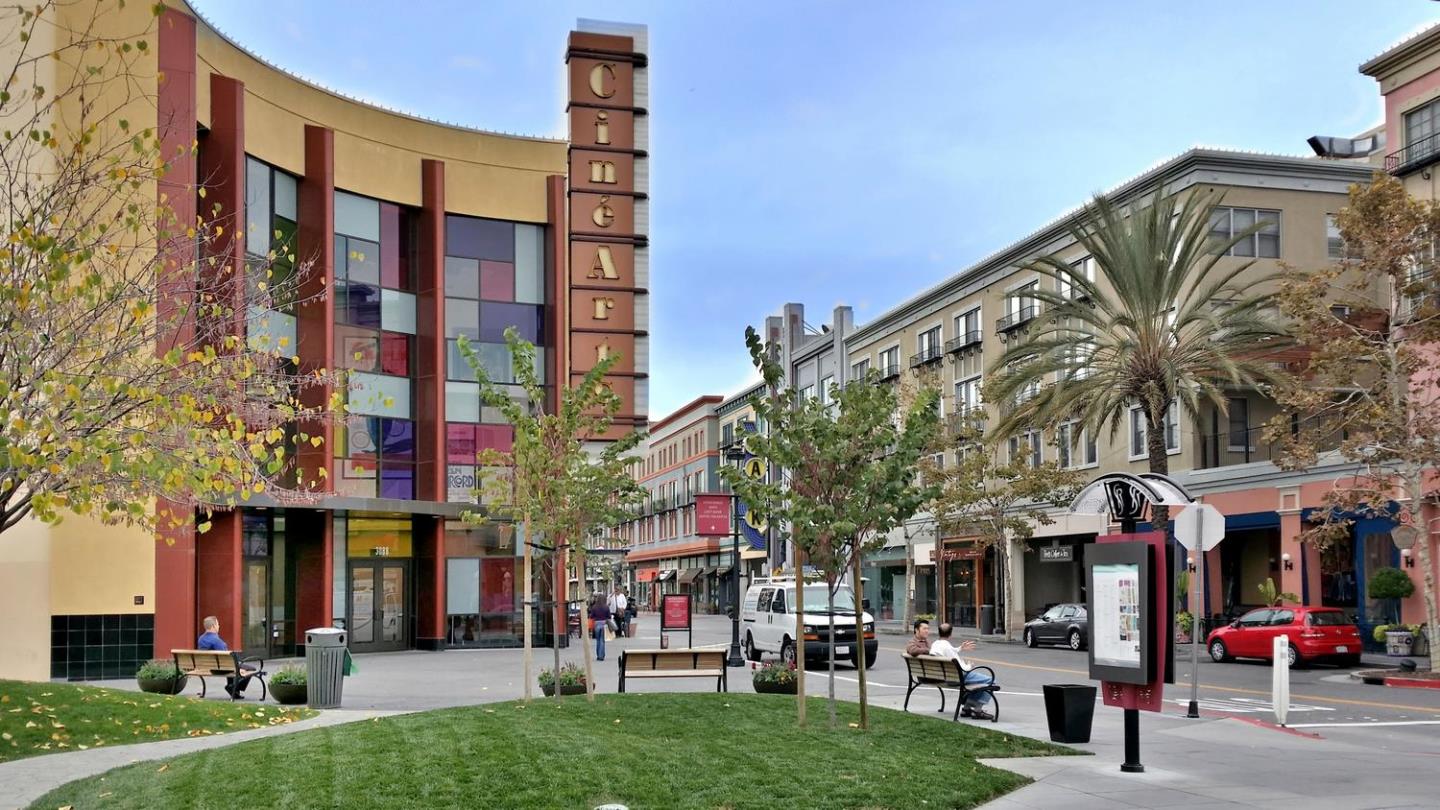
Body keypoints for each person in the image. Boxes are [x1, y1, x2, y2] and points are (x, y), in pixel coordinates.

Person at [929, 622, 995, 721]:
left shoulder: (935, 644)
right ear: (950, 634)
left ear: (939, 633)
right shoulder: (947, 646)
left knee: (980, 682)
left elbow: (948, 652)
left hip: (945, 676)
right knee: (990, 680)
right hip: (957, 677)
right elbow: (962, 668)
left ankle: (967, 708)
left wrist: (960, 648)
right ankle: (977, 709)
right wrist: (970, 666)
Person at [196, 616, 258, 699]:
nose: (219, 626)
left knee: (233, 664)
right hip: (220, 668)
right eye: (218, 624)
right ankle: (233, 687)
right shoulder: (217, 641)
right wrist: (238, 669)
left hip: (209, 667)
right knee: (250, 669)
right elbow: (226, 659)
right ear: (213, 626)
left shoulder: (201, 639)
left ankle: (232, 688)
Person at [590, 594, 611, 661]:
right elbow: (609, 617)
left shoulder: (594, 607)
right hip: (604, 624)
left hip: (597, 624)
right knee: (602, 640)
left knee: (598, 640)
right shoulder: (606, 607)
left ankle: (598, 655)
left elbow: (591, 616)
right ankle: (601, 655)